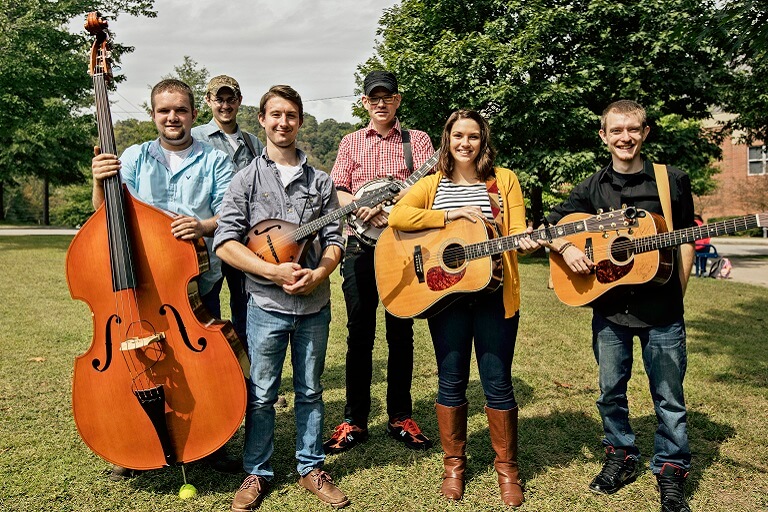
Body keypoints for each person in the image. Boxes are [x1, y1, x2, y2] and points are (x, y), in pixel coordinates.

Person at [544, 100, 694, 512]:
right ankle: (621, 455)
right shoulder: (591, 189)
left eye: (633, 130)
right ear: (604, 136)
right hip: (609, 312)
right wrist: (566, 248)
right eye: (616, 131)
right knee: (611, 391)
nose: (625, 137)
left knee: (669, 397)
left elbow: (683, 241)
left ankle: (670, 470)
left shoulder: (672, 181)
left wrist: (676, 295)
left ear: (645, 133)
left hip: (662, 312)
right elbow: (549, 226)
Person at [388, 110, 539, 507]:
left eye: (473, 136)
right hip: (446, 297)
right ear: (447, 139)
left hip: (494, 294)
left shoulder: (503, 181)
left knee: (497, 381)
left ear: (482, 140)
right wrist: (449, 213)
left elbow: (519, 228)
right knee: (450, 380)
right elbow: (399, 215)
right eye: (458, 135)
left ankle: (507, 469)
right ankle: (453, 465)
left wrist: (527, 240)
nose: (465, 143)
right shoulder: (433, 183)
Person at [91, 78, 239, 476]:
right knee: (141, 361)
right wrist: (99, 181)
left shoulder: (215, 160)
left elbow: (230, 214)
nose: (172, 117)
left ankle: (212, 441)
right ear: (153, 114)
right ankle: (137, 438)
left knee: (205, 364)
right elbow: (108, 217)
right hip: (139, 286)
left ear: (193, 114)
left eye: (180, 110)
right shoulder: (136, 157)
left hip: (194, 280)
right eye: (164, 110)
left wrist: (203, 225)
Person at [214, 85, 349, 510]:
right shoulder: (247, 178)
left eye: (291, 115)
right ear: (262, 119)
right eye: (276, 115)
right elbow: (224, 242)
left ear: (301, 121)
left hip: (314, 305)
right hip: (265, 307)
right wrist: (272, 270)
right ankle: (257, 472)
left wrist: (321, 271)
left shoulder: (322, 181)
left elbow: (335, 238)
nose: (283, 122)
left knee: (310, 390)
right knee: (263, 392)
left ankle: (310, 467)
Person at [325, 70, 435, 454]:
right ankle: (354, 420)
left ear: (398, 100)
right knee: (359, 333)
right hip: (358, 247)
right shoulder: (351, 142)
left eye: (388, 97)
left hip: (403, 249)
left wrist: (396, 211)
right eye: (375, 98)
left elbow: (428, 189)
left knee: (400, 333)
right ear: (365, 103)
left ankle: (400, 416)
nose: (381, 103)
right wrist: (359, 211)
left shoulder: (417, 141)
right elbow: (339, 188)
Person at [192, 75, 264, 343]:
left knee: (246, 311)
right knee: (206, 313)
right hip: (207, 238)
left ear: (239, 101)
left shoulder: (252, 142)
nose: (225, 105)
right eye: (218, 99)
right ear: (209, 101)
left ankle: (248, 376)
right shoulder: (195, 136)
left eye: (230, 99)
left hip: (244, 240)